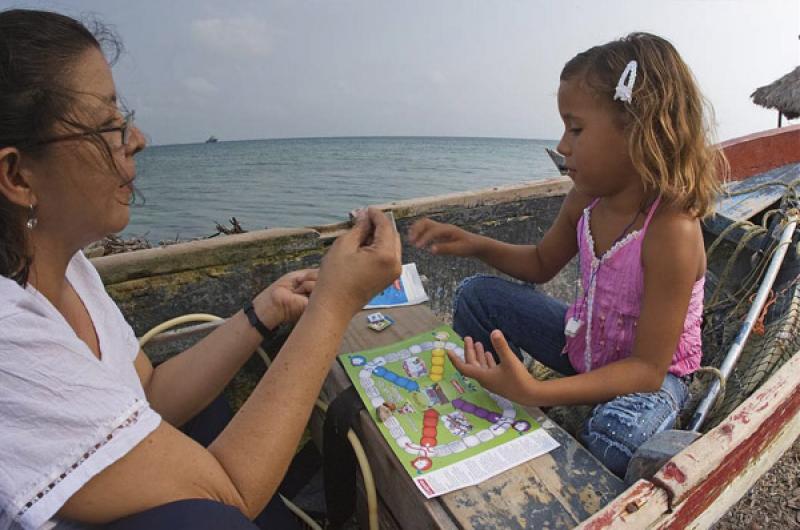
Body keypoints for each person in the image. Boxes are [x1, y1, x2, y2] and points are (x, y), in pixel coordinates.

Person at [0, 9, 401, 530]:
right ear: (16, 174)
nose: (136, 138)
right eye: (107, 125)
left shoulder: (68, 268)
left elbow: (151, 396)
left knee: (207, 413)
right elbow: (228, 493)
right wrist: (334, 304)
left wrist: (266, 310)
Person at [409, 32, 725, 478]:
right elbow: (540, 264)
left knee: (616, 434)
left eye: (575, 128)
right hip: (585, 344)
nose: (562, 145)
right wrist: (476, 244)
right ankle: (500, 400)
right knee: (475, 296)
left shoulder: (671, 230)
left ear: (638, 129)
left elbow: (648, 370)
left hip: (653, 379)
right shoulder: (586, 199)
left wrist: (538, 390)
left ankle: (537, 416)